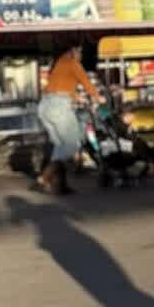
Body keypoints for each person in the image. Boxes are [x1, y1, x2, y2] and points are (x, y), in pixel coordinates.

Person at [36, 42, 100, 195]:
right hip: (59, 107)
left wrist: (78, 98)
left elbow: (61, 88)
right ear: (73, 50)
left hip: (45, 107)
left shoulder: (59, 63)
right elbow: (85, 81)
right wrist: (98, 97)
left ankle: (58, 186)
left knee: (60, 146)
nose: (81, 55)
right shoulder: (72, 62)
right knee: (73, 144)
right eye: (80, 52)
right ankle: (45, 176)